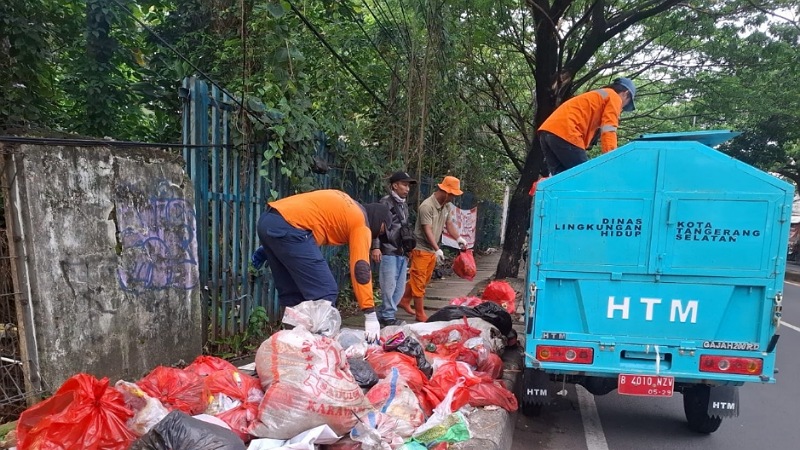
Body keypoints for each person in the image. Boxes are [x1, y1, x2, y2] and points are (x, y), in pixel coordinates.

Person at [251, 189, 391, 342]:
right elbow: (361, 269)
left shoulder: (345, 206)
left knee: (293, 295)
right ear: (378, 219)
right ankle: (320, 349)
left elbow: (306, 227)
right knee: (325, 291)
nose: (378, 235)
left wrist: (269, 248)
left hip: (269, 221)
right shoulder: (360, 223)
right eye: (382, 230)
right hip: (289, 227)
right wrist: (370, 314)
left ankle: (290, 347)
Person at [398, 176, 467, 322]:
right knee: (419, 281)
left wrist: (459, 238)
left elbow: (449, 224)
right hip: (421, 248)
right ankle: (420, 314)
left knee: (423, 279)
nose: (454, 197)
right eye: (453, 194)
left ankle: (404, 299)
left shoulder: (446, 206)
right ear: (446, 192)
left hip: (431, 250)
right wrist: (437, 249)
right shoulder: (427, 206)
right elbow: (426, 229)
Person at [538, 77, 636, 176]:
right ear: (625, 93)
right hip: (567, 132)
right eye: (626, 103)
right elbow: (609, 129)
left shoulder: (599, 94)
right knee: (586, 178)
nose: (622, 107)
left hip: (547, 131)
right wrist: (611, 159)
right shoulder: (614, 97)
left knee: (560, 182)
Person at [370, 171, 417, 327]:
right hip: (388, 249)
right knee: (388, 286)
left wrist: (408, 249)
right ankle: (388, 316)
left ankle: (384, 314)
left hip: (401, 250)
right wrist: (376, 247)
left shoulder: (403, 205)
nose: (407, 189)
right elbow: (376, 225)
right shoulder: (385, 203)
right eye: (404, 184)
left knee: (399, 287)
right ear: (394, 185)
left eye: (408, 185)